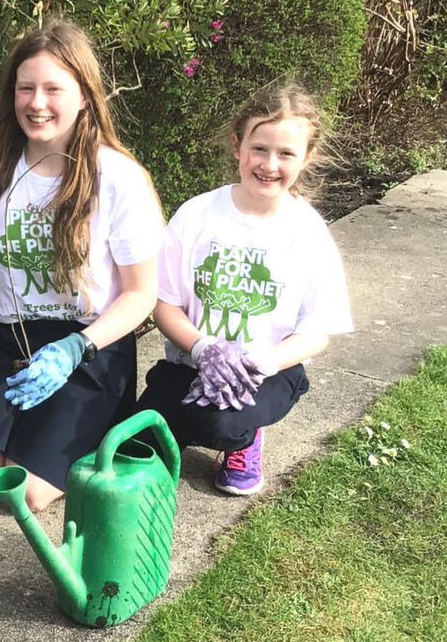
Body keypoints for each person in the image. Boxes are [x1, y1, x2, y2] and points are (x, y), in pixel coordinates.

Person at [0, 20, 165, 513]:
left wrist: (75, 348)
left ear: (85, 96)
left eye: (53, 89)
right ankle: (23, 431)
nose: (37, 103)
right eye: (26, 88)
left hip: (88, 347)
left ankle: (91, 419)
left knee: (25, 492)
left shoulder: (120, 179)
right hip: (10, 341)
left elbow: (140, 295)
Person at [134, 81, 353, 496]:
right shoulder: (197, 215)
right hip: (191, 364)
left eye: (286, 153)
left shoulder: (307, 232)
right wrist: (203, 349)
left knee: (221, 422)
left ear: (308, 157)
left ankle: (246, 439)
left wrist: (263, 362)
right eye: (260, 148)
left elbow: (316, 332)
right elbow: (164, 305)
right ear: (238, 147)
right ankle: (186, 420)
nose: (270, 164)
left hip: (266, 374)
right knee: (135, 445)